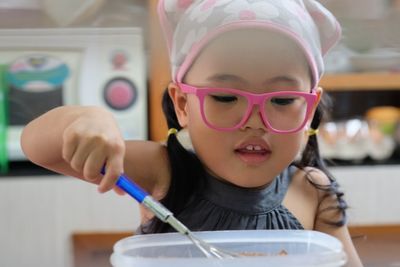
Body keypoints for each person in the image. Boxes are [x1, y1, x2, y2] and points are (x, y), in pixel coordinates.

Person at [21, 0, 363, 266]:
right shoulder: (161, 172)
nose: (255, 121)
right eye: (226, 97)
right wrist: (86, 118)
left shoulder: (314, 191)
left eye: (284, 99)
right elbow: (37, 147)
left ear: (310, 106)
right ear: (182, 104)